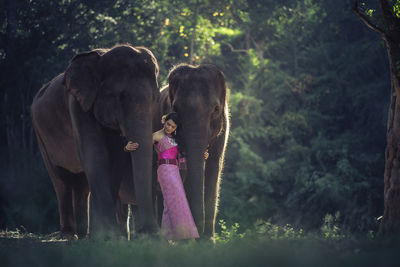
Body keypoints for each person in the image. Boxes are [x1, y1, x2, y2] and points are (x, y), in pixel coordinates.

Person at [125, 112, 208, 241]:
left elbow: (185, 155)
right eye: (168, 124)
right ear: (164, 121)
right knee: (177, 198)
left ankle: (167, 236)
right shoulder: (156, 136)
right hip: (164, 170)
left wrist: (202, 155)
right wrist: (127, 147)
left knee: (170, 202)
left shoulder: (175, 139)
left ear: (176, 128)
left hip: (175, 170)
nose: (169, 128)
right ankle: (184, 233)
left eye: (173, 127)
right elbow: (141, 147)